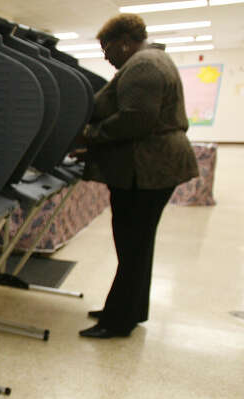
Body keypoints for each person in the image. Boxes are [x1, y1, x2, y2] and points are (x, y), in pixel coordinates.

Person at [76, 13, 199, 338]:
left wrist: (90, 133)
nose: (106, 57)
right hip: (153, 166)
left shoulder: (143, 65)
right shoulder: (155, 58)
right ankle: (130, 309)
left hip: (148, 169)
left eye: (108, 49)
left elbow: (135, 119)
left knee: (131, 245)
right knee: (138, 245)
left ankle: (117, 322)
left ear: (125, 42)